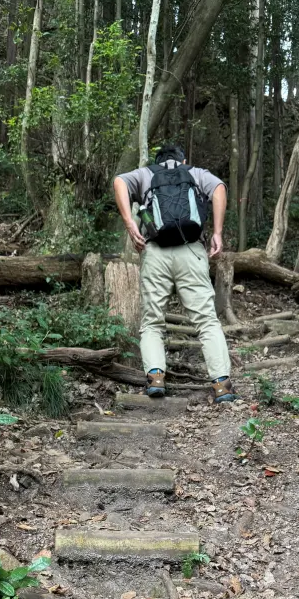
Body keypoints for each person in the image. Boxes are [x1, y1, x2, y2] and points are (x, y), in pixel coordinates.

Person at [113, 144, 235, 404]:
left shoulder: (145, 174)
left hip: (155, 252)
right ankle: (221, 384)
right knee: (206, 321)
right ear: (183, 160)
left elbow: (119, 181)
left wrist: (129, 222)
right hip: (191, 251)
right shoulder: (197, 173)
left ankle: (156, 377)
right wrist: (217, 232)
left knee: (152, 322)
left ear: (158, 161)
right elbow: (220, 189)